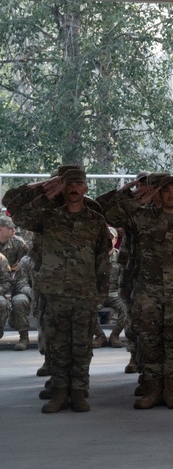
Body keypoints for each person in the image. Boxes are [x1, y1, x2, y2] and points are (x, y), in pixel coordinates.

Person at [3, 169, 112, 413]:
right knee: (58, 343)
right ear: (62, 188)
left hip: (84, 292)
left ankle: (79, 392)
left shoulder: (95, 220)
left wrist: (101, 292)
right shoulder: (48, 217)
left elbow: (102, 260)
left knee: (82, 346)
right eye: (68, 184)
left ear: (85, 188)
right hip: (55, 292)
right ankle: (60, 392)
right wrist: (43, 189)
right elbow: (15, 211)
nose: (74, 188)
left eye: (78, 184)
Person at [104, 174, 173, 409]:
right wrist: (136, 197)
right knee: (149, 342)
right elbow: (110, 215)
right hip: (146, 293)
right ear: (158, 194)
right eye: (166, 190)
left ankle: (170, 389)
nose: (171, 194)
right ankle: (152, 389)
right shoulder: (141, 218)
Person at [0, 215, 30, 350]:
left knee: (20, 302)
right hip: (1, 283)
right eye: (9, 228)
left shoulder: (18, 243)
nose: (13, 230)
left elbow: (27, 263)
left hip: (17, 283)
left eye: (14, 228)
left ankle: (24, 338)